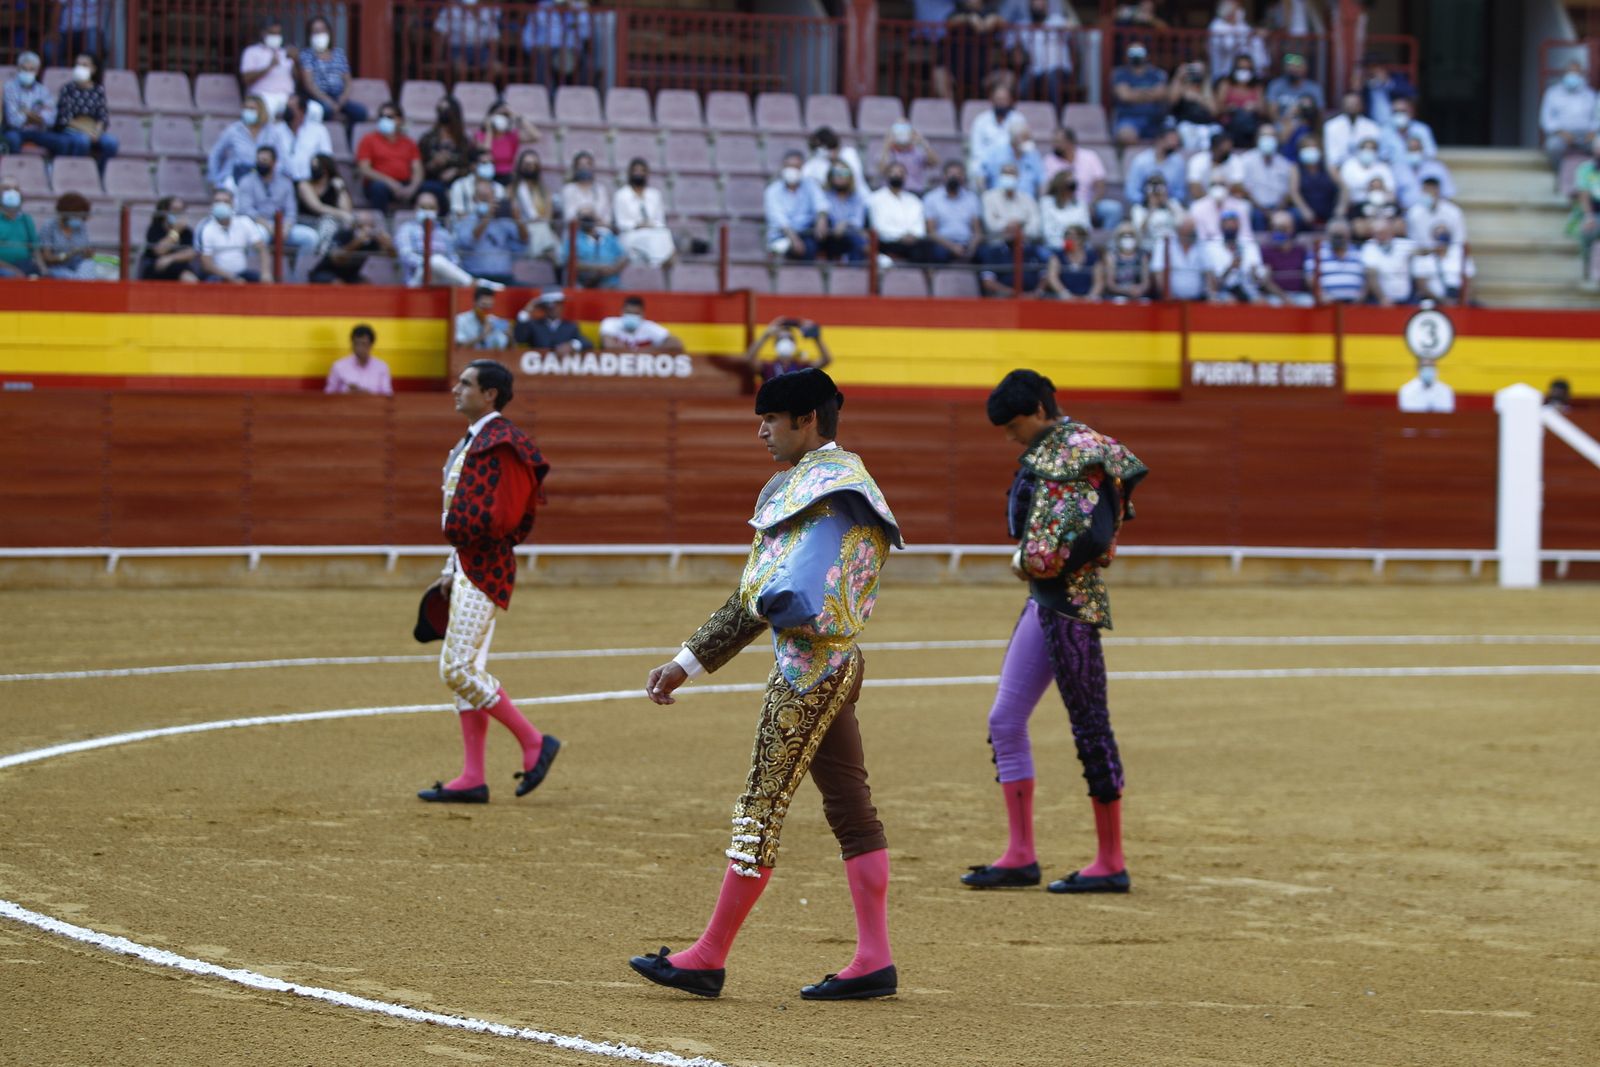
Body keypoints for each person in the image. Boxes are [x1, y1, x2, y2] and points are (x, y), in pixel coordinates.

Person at [631, 367, 903, 1002]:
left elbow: (770, 595)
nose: (761, 431)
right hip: (831, 661)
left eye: (771, 420)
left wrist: (688, 661)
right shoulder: (832, 483)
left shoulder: (826, 489)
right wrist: (688, 660)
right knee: (851, 811)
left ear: (806, 420)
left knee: (762, 804)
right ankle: (874, 959)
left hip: (807, 672)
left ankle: (707, 957)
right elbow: (759, 597)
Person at [962, 369, 1147, 895]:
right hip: (1045, 603)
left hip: (1072, 605)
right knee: (1005, 719)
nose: (1010, 436)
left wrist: (1027, 558)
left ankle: (1111, 861)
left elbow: (1083, 539)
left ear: (1040, 411)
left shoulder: (1078, 453)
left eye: (1015, 425)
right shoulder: (1064, 450)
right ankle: (1020, 855)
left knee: (1091, 726)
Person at [417, 359, 557, 802]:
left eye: (465, 383)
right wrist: (450, 565)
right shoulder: (478, 439)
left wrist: (467, 549)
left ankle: (534, 741)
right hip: (467, 563)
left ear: (490, 394)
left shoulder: (502, 442)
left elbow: (506, 515)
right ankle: (473, 776)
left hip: (486, 566)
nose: (456, 389)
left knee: (456, 669)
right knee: (467, 670)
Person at [236, 145, 318, 275]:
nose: (260, 163)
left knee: (310, 238)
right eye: (259, 160)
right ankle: (257, 275)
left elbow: (291, 211)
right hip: (258, 225)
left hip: (282, 226)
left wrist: (286, 227)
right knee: (257, 237)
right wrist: (267, 225)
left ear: (274, 163)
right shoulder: (246, 181)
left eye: (264, 160)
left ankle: (298, 276)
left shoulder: (285, 183)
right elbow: (246, 210)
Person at [978, 161, 1045, 296]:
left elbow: (1036, 228)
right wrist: (1018, 224)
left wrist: (1012, 227)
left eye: (1012, 173)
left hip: (1024, 247)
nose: (1009, 177)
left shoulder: (1028, 199)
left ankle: (1035, 293)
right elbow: (991, 225)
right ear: (1000, 176)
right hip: (997, 248)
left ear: (1018, 176)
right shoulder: (989, 197)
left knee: (1044, 257)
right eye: (1005, 173)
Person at [208, 93, 292, 190]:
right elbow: (215, 153)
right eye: (246, 108)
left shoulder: (272, 132)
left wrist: (274, 174)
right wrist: (214, 179)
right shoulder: (234, 130)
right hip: (236, 177)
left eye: (252, 109)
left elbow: (282, 158)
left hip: (264, 177)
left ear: (261, 111)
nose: (248, 111)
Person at [1042, 128, 1120, 229]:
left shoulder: (1089, 156)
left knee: (1114, 209)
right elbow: (1049, 189)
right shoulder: (1049, 160)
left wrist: (1092, 204)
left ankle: (1103, 242)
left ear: (1070, 142)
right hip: (1063, 203)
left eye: (1058, 142)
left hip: (1089, 202)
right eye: (1054, 142)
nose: (1054, 145)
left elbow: (1100, 186)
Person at [453, 179, 526, 286]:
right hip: (476, 278)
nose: (487, 202)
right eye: (483, 199)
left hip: (504, 277)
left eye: (489, 199)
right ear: (475, 199)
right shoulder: (466, 222)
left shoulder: (503, 222)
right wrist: (487, 217)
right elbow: (468, 241)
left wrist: (518, 219)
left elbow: (523, 242)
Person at [298, 15, 366, 127]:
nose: (320, 34)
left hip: (339, 98)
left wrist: (341, 100)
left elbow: (348, 81)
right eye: (316, 31)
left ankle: (347, 140)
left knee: (360, 113)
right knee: (325, 111)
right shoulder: (306, 54)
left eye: (323, 30)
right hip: (318, 98)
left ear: (329, 32)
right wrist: (329, 102)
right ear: (309, 35)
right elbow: (309, 84)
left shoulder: (339, 54)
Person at [355, 103, 423, 214]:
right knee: (379, 188)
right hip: (379, 184)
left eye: (389, 117)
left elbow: (418, 169)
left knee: (434, 188)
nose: (384, 120)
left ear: (400, 120)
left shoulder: (409, 143)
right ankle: (380, 225)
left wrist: (412, 188)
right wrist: (390, 183)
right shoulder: (368, 139)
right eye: (382, 117)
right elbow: (364, 169)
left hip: (405, 184)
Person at [54, 52, 119, 165]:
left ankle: (100, 173)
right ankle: (77, 170)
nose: (80, 68)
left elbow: (102, 116)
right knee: (82, 141)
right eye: (78, 64)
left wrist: (97, 132)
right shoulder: (67, 89)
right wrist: (87, 131)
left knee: (112, 143)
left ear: (93, 69)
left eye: (84, 65)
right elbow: (65, 118)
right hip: (72, 130)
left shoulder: (98, 90)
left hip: (93, 130)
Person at [195, 188, 272, 284]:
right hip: (217, 275)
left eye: (226, 202)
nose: (221, 205)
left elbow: (262, 249)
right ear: (212, 204)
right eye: (218, 201)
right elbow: (206, 264)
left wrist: (266, 272)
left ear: (232, 204)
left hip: (241, 273)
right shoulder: (206, 227)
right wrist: (231, 278)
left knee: (262, 282)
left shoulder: (245, 222)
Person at [1005, 0, 1074, 106]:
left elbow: (1072, 26)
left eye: (1042, 3)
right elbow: (1009, 41)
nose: (1039, 5)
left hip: (1058, 70)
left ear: (1047, 7)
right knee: (1022, 87)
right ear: (1030, 6)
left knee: (1052, 81)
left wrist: (1070, 24)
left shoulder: (1057, 21)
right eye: (1035, 3)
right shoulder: (1024, 25)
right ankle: (1025, 117)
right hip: (1035, 70)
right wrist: (1016, 50)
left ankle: (1057, 119)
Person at [3, 52, 71, 156]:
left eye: (31, 69)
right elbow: (13, 120)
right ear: (18, 69)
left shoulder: (43, 90)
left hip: (39, 132)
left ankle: (53, 170)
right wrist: (38, 116)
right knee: (12, 140)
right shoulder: (9, 88)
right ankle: (14, 170)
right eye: (24, 69)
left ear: (37, 71)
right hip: (16, 131)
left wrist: (27, 113)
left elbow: (51, 119)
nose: (27, 72)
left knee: (63, 142)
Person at [764, 151, 828, 261]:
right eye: (789, 166)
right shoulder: (772, 191)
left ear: (802, 168)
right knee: (807, 248)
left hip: (807, 232)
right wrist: (793, 239)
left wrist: (822, 219)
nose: (792, 170)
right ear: (783, 167)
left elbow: (821, 204)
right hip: (783, 236)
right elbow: (779, 220)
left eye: (796, 167)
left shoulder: (810, 185)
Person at [614, 158, 675, 267]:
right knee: (651, 239)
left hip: (652, 231)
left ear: (647, 174)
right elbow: (620, 223)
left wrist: (651, 225)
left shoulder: (655, 194)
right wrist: (638, 225)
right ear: (630, 173)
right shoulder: (621, 195)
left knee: (665, 233)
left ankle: (661, 263)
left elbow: (660, 221)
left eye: (642, 171)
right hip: (630, 234)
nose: (639, 173)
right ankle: (659, 264)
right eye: (636, 170)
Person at [868, 161, 932, 263]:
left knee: (929, 247)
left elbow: (919, 226)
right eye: (893, 172)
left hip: (913, 242)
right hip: (888, 242)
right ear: (886, 175)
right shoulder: (876, 198)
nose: (897, 175)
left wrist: (913, 236)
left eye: (901, 172)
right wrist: (901, 236)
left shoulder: (914, 200)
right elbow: (879, 227)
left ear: (906, 176)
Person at [309, 209, 395, 284]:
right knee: (338, 284)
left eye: (370, 226)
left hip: (350, 276)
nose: (367, 229)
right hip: (325, 272)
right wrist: (357, 242)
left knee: (366, 287)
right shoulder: (343, 234)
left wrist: (388, 244)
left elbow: (393, 256)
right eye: (362, 226)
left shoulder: (372, 241)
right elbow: (337, 260)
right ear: (354, 226)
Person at [1541, 61, 1598, 171]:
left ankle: (1592, 177)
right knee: (1553, 146)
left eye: (1576, 72)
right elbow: (1546, 119)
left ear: (1582, 75)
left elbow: (1596, 117)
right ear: (1564, 74)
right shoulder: (1553, 93)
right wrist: (1561, 132)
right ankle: (1559, 174)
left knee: (1598, 145)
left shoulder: (1590, 94)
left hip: (1587, 135)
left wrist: (1593, 132)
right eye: (1570, 72)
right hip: (1561, 135)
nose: (1573, 75)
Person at [923, 160, 983, 264]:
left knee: (985, 253)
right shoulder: (931, 198)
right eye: (952, 174)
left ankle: (987, 280)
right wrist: (952, 247)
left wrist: (972, 248)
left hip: (967, 242)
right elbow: (931, 232)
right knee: (934, 253)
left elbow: (977, 232)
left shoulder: (972, 198)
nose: (955, 177)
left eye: (959, 174)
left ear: (963, 177)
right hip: (943, 243)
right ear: (944, 176)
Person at [433, 0, 506, 85]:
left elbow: (494, 38)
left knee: (497, 68)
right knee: (461, 68)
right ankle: (463, 93)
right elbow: (439, 36)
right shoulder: (450, 10)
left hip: (480, 50)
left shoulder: (488, 13)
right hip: (456, 49)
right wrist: (437, 59)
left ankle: (481, 90)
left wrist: (493, 57)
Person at [1110, 42, 1168, 148]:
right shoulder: (1120, 74)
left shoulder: (1156, 74)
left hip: (1155, 119)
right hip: (1129, 118)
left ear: (1147, 55)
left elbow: (1160, 94)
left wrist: (1133, 92)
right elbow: (1125, 96)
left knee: (1171, 137)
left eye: (1139, 53)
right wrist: (1149, 93)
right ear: (1127, 56)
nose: (1136, 57)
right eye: (1133, 53)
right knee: (1126, 136)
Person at [420, 98, 475, 208]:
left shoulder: (464, 142)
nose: (443, 113)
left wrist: (456, 171)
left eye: (446, 110)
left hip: (459, 183)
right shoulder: (427, 139)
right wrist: (434, 164)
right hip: (433, 182)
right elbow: (419, 168)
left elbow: (473, 166)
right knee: (432, 188)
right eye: (440, 110)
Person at [742, 317, 832, 383]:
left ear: (794, 344)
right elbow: (749, 359)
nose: (785, 341)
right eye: (781, 338)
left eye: (789, 338)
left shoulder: (802, 367)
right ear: (775, 344)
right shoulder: (767, 367)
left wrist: (816, 337)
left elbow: (826, 360)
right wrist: (765, 335)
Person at [297, 152, 356, 252]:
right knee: (328, 222)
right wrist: (341, 215)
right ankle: (321, 254)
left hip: (330, 223)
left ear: (326, 168)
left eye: (317, 166)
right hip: (306, 220)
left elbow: (347, 210)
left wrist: (340, 189)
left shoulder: (334, 185)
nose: (313, 168)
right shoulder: (304, 184)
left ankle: (327, 253)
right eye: (312, 165)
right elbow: (317, 207)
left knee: (333, 223)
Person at [968, 82, 1028, 181]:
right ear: (992, 100)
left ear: (1010, 101)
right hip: (987, 164)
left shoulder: (1019, 119)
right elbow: (977, 150)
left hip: (1012, 164)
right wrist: (991, 164)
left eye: (1004, 99)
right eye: (998, 99)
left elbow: (1024, 146)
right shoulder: (981, 121)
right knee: (975, 168)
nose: (1001, 102)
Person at [507, 149, 559, 261]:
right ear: (520, 166)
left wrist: (538, 220)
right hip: (520, 229)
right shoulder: (511, 189)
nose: (529, 167)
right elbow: (512, 213)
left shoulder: (544, 191)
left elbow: (548, 217)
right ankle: (545, 254)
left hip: (541, 227)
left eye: (532, 164)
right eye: (526, 164)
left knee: (542, 228)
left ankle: (544, 254)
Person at [239, 18, 297, 118]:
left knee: (313, 110)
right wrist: (269, 67)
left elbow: (298, 78)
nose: (275, 36)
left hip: (287, 97)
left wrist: (297, 61)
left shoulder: (285, 52)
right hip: (262, 96)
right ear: (263, 33)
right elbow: (246, 78)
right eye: (272, 33)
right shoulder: (251, 52)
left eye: (278, 33)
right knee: (268, 111)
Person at [1123, 120, 1188, 206]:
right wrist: (1147, 201)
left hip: (1169, 205)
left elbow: (1180, 192)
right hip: (1144, 205)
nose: (1175, 143)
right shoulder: (1141, 161)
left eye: (1177, 140)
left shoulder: (1179, 162)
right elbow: (1131, 191)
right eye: (1172, 139)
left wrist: (1166, 201)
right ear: (1160, 140)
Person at [1256, 210, 1312, 306]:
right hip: (1275, 297)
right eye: (1274, 228)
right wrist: (1285, 298)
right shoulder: (1265, 250)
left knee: (1309, 302)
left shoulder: (1300, 250)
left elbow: (1308, 277)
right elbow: (1265, 281)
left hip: (1299, 295)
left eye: (1282, 228)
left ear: (1291, 229)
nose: (1277, 232)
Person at [1240, 126, 1292, 229]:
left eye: (1271, 136)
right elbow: (1244, 189)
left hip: (1278, 207)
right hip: (1255, 206)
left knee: (1291, 216)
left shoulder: (1285, 164)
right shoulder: (1246, 160)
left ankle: (1284, 244)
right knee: (1255, 215)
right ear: (1257, 139)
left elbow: (1287, 192)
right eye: (1264, 136)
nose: (1268, 139)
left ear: (1277, 139)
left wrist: (1277, 210)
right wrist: (1263, 211)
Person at [475, 102, 541, 183]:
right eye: (499, 115)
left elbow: (536, 136)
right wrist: (489, 129)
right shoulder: (481, 135)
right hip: (488, 177)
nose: (501, 118)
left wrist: (517, 117)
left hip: (508, 177)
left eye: (505, 116)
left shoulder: (512, 136)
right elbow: (485, 152)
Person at [560, 209, 627, 289]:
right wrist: (597, 268)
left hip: (612, 283)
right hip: (585, 284)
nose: (588, 220)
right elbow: (569, 263)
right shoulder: (573, 238)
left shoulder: (608, 235)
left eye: (590, 216)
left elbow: (624, 257)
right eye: (584, 217)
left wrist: (613, 269)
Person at [1205, 209, 1262, 303]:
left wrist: (1256, 274)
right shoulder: (1212, 247)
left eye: (1233, 222)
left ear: (1239, 225)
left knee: (1261, 302)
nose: (1230, 226)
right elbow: (1214, 285)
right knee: (1230, 301)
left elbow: (1257, 281)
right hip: (1223, 290)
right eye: (1227, 223)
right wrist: (1231, 267)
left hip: (1247, 289)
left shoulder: (1249, 245)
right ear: (1221, 225)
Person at [138, 196, 199, 282]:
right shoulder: (155, 228)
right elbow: (160, 250)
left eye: (180, 210)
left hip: (179, 266)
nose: (177, 213)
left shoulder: (186, 231)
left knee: (189, 277)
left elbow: (190, 253)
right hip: (157, 267)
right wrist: (175, 231)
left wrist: (170, 258)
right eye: (174, 209)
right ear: (165, 211)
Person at [1288, 133, 1341, 230]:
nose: (1310, 150)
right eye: (1306, 147)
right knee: (1294, 215)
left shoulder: (1328, 167)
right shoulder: (1296, 169)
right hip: (1306, 210)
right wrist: (1304, 209)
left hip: (1328, 209)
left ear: (1319, 149)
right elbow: (1293, 192)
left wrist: (1341, 207)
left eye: (1313, 147)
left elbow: (1344, 188)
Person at [1307, 220, 1368, 304]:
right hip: (1326, 303)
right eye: (1334, 235)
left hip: (1355, 304)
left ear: (1348, 235)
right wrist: (1321, 295)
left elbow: (1366, 278)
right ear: (1328, 235)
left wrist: (1361, 297)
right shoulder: (1317, 252)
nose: (1338, 239)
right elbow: (1310, 277)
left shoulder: (1359, 252)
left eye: (1340, 236)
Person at [1409, 226, 1474, 305]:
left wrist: (1462, 300)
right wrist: (1443, 301)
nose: (1442, 241)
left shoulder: (1459, 255)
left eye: (1444, 236)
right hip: (1433, 301)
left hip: (1458, 299)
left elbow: (1468, 281)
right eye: (1439, 237)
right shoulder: (1424, 258)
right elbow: (1422, 286)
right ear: (1433, 238)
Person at [1567, 135, 1600, 288]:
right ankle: (1587, 271)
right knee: (1588, 230)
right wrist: (1589, 216)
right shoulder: (1586, 169)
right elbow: (1583, 194)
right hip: (1593, 214)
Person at [1215, 52, 1267, 150]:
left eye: (1247, 69)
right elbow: (1217, 109)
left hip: (1251, 125)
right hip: (1230, 124)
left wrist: (1255, 107)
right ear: (1234, 69)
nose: (1244, 72)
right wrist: (1229, 108)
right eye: (1241, 68)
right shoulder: (1226, 84)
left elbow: (1264, 111)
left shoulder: (1257, 86)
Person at [1150, 218, 1211, 300]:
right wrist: (1166, 296)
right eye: (1189, 232)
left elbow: (1209, 272)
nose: (1192, 234)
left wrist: (1210, 296)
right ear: (1179, 230)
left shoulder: (1200, 245)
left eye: (1193, 231)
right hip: (1170, 300)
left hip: (1198, 300)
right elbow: (1158, 273)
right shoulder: (1165, 243)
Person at [39, 192, 97, 279]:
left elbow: (85, 252)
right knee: (71, 277)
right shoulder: (49, 226)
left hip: (78, 264)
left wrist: (88, 253)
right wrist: (69, 255)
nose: (80, 220)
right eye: (77, 215)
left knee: (88, 266)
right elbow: (47, 257)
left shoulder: (81, 226)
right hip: (58, 267)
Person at [820, 163, 869, 263]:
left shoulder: (857, 196)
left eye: (844, 173)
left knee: (855, 239)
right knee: (859, 240)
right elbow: (824, 215)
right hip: (830, 236)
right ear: (830, 176)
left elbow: (858, 221)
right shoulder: (824, 195)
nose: (840, 176)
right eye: (836, 173)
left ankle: (854, 272)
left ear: (850, 176)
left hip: (850, 234)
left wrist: (844, 223)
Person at [514, 288, 592, 351]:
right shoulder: (534, 325)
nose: (554, 308)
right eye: (550, 305)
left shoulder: (570, 326)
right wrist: (526, 311)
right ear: (544, 307)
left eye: (557, 304)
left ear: (562, 306)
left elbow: (587, 343)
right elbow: (519, 338)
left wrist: (572, 345)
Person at [599, 295, 684, 352]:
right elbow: (609, 346)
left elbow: (676, 344)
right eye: (628, 312)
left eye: (636, 313)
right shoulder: (610, 323)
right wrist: (643, 352)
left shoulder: (649, 327)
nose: (631, 316)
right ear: (622, 312)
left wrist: (642, 353)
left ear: (642, 315)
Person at [325, 323, 393, 394]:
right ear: (352, 344)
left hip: (373, 404)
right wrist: (347, 394)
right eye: (356, 344)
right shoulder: (338, 366)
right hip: (346, 404)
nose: (359, 348)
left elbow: (387, 395)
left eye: (363, 344)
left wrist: (366, 394)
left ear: (371, 345)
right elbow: (329, 395)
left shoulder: (381, 367)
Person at [875, 121, 940, 195]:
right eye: (898, 131)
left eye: (905, 131)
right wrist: (886, 145)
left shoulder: (918, 152)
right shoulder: (887, 152)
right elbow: (881, 170)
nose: (902, 134)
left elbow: (935, 162)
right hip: (891, 194)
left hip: (915, 193)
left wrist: (923, 142)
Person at [1361, 218, 1415, 306]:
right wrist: (1382, 298)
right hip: (1381, 300)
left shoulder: (1404, 244)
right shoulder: (1369, 246)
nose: (1381, 236)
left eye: (1383, 232)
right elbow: (1371, 273)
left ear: (1391, 232)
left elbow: (1421, 251)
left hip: (1406, 298)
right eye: (1377, 233)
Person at [1169, 59, 1220, 152]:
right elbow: (1172, 101)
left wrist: (1198, 98)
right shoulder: (1181, 88)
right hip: (1186, 125)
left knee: (1214, 133)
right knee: (1188, 134)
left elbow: (1215, 111)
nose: (1195, 74)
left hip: (1206, 126)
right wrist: (1179, 76)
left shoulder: (1206, 90)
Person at [802, 126, 868, 195]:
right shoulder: (818, 162)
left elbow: (853, 178)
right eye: (817, 148)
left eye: (822, 147)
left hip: (858, 195)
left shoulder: (849, 154)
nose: (820, 151)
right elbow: (804, 176)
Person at [1322, 91, 1381, 170]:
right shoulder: (1331, 126)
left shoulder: (1373, 127)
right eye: (1349, 103)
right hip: (1339, 170)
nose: (1351, 106)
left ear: (1361, 106)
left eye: (1355, 103)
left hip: (1367, 171)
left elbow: (1375, 156)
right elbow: (1332, 160)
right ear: (1342, 105)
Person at [1040, 224, 1100, 300]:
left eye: (1072, 237)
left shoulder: (1092, 257)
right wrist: (1064, 294)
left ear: (1081, 239)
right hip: (1063, 299)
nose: (1068, 239)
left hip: (1087, 299)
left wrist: (1091, 296)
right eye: (1066, 236)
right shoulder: (1057, 257)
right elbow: (1052, 277)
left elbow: (1099, 281)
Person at [0, 177, 44, 277]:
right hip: (3, 268)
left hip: (24, 265)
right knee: (10, 275)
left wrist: (43, 269)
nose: (12, 192)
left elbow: (35, 249)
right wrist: (13, 270)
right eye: (6, 188)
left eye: (16, 189)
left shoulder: (26, 220)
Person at [282, 96, 333, 183]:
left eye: (291, 108)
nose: (287, 111)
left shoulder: (318, 130)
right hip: (282, 181)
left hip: (311, 180)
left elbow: (326, 156)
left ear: (302, 111)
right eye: (287, 107)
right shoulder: (276, 130)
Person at [1039, 169, 1091, 250]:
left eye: (1073, 185)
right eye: (1069, 185)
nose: (1072, 188)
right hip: (1056, 249)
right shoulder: (1046, 203)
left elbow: (1085, 229)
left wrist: (1076, 245)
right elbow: (1048, 233)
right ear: (1059, 185)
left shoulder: (1081, 204)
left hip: (1079, 249)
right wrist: (1066, 246)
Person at [1129, 174, 1185, 250]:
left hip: (1171, 246)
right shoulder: (1138, 209)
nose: (1156, 193)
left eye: (1160, 189)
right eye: (1153, 189)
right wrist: (1151, 208)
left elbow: (1182, 225)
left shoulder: (1173, 204)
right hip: (1149, 247)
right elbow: (1139, 232)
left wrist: (1166, 203)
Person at [1098, 224, 1149, 301]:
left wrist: (1139, 289)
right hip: (1118, 295)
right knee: (1120, 300)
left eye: (1131, 235)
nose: (1127, 238)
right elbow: (1110, 284)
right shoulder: (1112, 256)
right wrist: (1127, 290)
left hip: (1138, 294)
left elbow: (1146, 282)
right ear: (1118, 238)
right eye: (1123, 235)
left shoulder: (1142, 256)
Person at [1265, 53, 1323, 121]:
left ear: (1305, 68)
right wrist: (1285, 123)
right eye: (1290, 66)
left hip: (1305, 126)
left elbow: (1319, 113)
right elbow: (1272, 112)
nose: (1293, 69)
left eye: (1297, 66)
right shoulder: (1276, 85)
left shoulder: (1314, 88)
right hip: (1281, 126)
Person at [449, 151, 505, 220]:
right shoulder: (460, 185)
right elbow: (458, 215)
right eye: (484, 163)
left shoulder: (499, 188)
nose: (490, 165)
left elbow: (501, 216)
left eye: (492, 163)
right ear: (473, 166)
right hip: (465, 228)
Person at [559, 151, 610, 227]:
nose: (584, 167)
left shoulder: (600, 189)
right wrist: (581, 212)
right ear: (575, 168)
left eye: (588, 164)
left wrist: (591, 213)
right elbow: (568, 218)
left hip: (598, 231)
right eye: (581, 165)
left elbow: (607, 220)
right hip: (575, 232)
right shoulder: (568, 189)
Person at [454, 285, 512, 350]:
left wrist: (510, 338)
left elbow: (503, 348)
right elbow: (459, 348)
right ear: (475, 303)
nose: (486, 310)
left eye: (489, 306)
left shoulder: (496, 321)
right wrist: (483, 335)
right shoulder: (461, 320)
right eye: (483, 305)